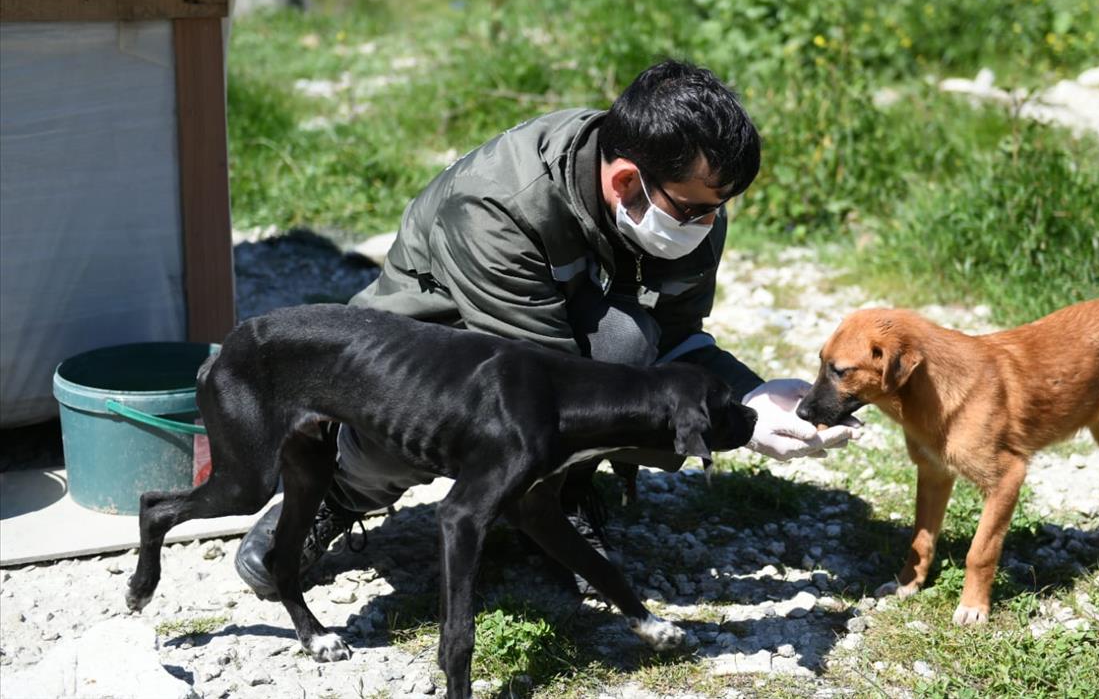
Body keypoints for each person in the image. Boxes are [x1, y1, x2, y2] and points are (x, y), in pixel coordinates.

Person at [235, 59, 855, 599]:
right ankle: (337, 490)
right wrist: (730, 432)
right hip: (432, 347)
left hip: (547, 343)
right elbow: (539, 388)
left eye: (718, 208)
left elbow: (673, 338)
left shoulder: (686, 203)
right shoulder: (495, 206)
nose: (708, 223)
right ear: (624, 182)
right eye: (694, 209)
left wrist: (750, 396)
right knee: (420, 410)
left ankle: (553, 500)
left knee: (630, 347)